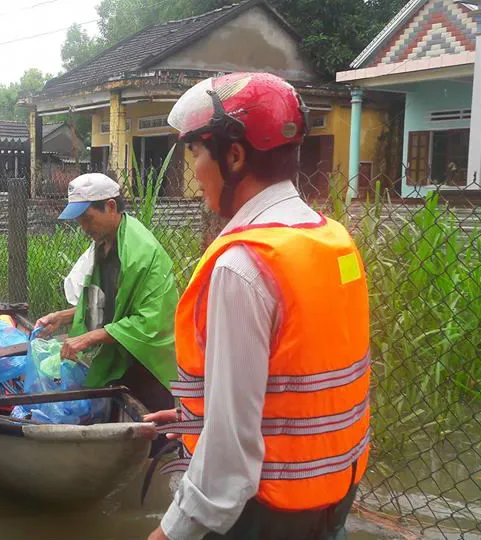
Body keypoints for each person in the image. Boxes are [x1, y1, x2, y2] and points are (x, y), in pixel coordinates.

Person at [145, 72, 371, 540]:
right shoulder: (332, 240)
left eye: (196, 153)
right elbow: (296, 382)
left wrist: (169, 533)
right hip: (331, 498)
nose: (194, 172)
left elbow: (229, 459)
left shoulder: (243, 266)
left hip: (262, 516)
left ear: (234, 156)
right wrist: (202, 415)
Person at [36, 173, 178, 417]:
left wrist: (89, 338)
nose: (83, 227)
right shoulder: (105, 243)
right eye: (79, 220)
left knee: (153, 425)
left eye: (87, 218)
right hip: (121, 353)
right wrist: (63, 316)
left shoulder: (140, 254)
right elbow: (107, 302)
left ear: (111, 206)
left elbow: (150, 323)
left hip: (147, 359)